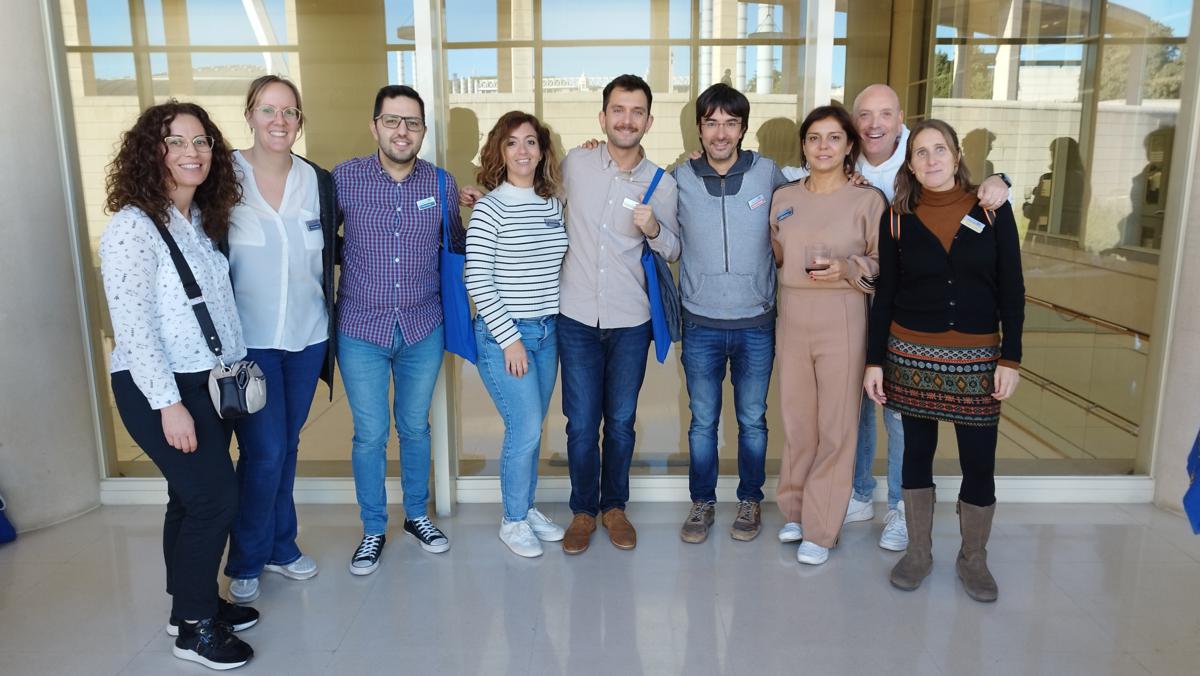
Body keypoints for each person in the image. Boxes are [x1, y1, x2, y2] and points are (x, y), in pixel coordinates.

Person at [779, 84, 1011, 553]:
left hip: (884, 313)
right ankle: (843, 497)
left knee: (889, 419)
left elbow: (1000, 270)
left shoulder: (896, 181)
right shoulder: (799, 186)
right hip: (829, 314)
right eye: (865, 115)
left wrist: (1001, 178)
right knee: (831, 417)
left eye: (884, 114)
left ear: (899, 121)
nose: (874, 124)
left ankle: (896, 511)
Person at [100, 100, 257, 670]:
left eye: (202, 142)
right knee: (215, 499)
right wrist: (169, 405)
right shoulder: (132, 227)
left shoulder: (196, 223)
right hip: (159, 387)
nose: (193, 152)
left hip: (206, 382)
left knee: (188, 499)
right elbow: (135, 329)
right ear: (152, 152)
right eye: (176, 142)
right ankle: (194, 630)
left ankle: (188, 604)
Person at [864, 118, 1024, 602]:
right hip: (911, 354)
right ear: (909, 164)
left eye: (940, 149)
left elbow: (1012, 288)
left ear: (956, 156)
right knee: (915, 455)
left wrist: (1011, 358)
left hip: (978, 358)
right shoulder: (897, 218)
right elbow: (886, 294)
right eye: (921, 152)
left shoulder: (992, 209)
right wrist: (875, 362)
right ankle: (919, 552)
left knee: (979, 461)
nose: (931, 159)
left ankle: (973, 557)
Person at [332, 85, 464, 575]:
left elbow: (455, 245)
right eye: (392, 120)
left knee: (414, 427)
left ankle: (415, 515)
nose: (402, 131)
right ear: (375, 126)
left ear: (424, 131)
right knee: (370, 434)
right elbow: (323, 243)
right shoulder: (344, 179)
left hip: (422, 326)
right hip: (361, 327)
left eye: (412, 122)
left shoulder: (442, 183)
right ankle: (372, 528)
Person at [221, 75, 336, 603]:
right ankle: (247, 557)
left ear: (300, 121)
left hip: (308, 337)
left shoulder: (318, 182)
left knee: (286, 446)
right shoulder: (222, 177)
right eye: (268, 110)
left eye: (289, 111)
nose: (279, 120)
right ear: (249, 115)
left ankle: (281, 546)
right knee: (264, 451)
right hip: (249, 344)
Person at [769, 104, 883, 566]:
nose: (823, 146)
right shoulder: (783, 196)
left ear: (849, 145)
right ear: (803, 145)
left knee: (837, 426)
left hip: (843, 313)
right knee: (798, 421)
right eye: (814, 138)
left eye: (834, 138)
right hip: (792, 314)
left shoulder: (867, 200)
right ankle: (796, 510)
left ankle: (822, 527)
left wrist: (849, 268)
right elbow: (776, 251)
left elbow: (884, 264)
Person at [673, 83, 786, 544]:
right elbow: (662, 232)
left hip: (755, 323)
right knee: (703, 421)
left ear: (743, 128)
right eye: (712, 123)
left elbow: (811, 197)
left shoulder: (769, 173)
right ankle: (702, 502)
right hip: (700, 322)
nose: (720, 133)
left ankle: (750, 500)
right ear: (699, 129)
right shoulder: (679, 177)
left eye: (730, 123)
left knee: (752, 420)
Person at [464, 111, 569, 557]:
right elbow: (477, 278)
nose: (522, 150)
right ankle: (512, 520)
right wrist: (510, 340)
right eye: (512, 142)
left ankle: (525, 508)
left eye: (530, 141)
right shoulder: (491, 208)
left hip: (548, 331)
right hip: (505, 336)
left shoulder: (553, 204)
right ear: (500, 152)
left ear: (542, 151)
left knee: (533, 427)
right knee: (523, 428)